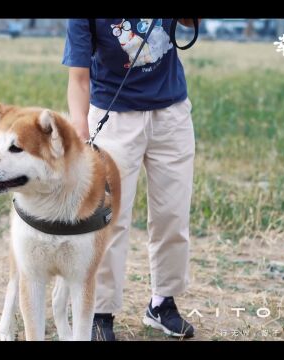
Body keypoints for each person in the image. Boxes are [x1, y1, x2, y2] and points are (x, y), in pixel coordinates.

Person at [62, 18, 199, 341]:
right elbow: (79, 79)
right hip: (114, 117)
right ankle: (100, 312)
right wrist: (81, 131)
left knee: (173, 214)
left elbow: (188, 24)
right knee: (110, 219)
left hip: (171, 114)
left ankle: (163, 302)